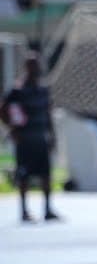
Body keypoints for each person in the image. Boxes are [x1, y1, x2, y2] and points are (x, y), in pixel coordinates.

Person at [1, 52, 58, 223]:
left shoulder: (42, 90)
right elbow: (3, 110)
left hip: (40, 137)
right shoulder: (18, 91)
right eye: (32, 65)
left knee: (46, 174)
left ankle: (47, 209)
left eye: (37, 65)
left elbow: (48, 114)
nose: (36, 69)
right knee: (24, 175)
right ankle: (24, 210)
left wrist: (52, 136)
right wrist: (12, 130)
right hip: (25, 139)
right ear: (26, 67)